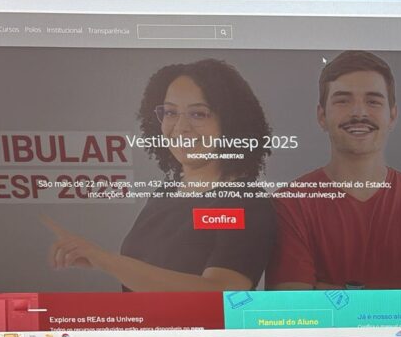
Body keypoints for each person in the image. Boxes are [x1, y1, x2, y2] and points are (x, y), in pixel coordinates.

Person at [44, 59, 275, 291]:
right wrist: (97, 260)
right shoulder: (166, 192)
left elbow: (221, 292)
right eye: (171, 112)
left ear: (231, 123)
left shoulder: (246, 202)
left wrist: (107, 261)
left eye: (198, 114)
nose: (181, 127)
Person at [268, 50, 401, 290]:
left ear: (392, 116)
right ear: (322, 116)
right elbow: (295, 302)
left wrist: (327, 289)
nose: (359, 113)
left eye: (373, 101)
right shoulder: (290, 204)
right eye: (343, 100)